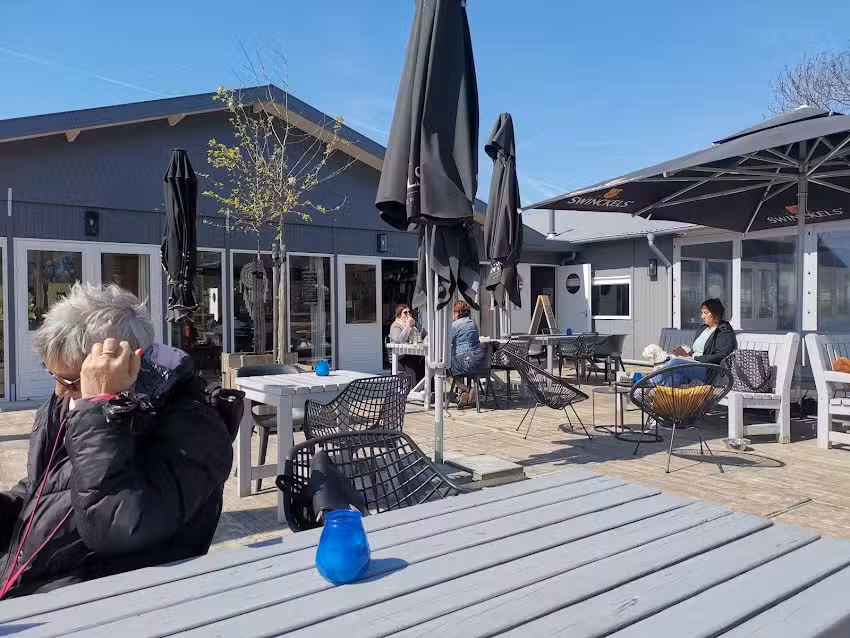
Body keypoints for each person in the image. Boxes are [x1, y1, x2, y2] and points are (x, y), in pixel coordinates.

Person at [0, 283, 233, 598]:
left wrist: (97, 407)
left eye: (70, 380)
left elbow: (114, 526)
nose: (59, 392)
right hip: (28, 579)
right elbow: (43, 488)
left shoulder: (195, 429)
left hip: (101, 604)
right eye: (52, 375)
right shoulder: (68, 406)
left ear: (127, 364)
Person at [655, 298, 737, 386]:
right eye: (702, 313)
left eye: (706, 313)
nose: (702, 316)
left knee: (673, 363)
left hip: (707, 369)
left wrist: (695, 359)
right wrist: (686, 356)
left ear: (716, 313)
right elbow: (697, 351)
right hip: (693, 365)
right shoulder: (703, 329)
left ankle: (646, 382)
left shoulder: (723, 331)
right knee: (675, 377)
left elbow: (721, 355)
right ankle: (663, 398)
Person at [449, 300, 487, 408]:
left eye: (453, 312)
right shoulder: (472, 323)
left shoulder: (455, 325)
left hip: (463, 361)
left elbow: (447, 341)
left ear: (457, 313)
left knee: (445, 368)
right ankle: (463, 395)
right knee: (455, 364)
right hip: (476, 360)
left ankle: (466, 389)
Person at [388, 304, 426, 385]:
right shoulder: (396, 326)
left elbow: (425, 334)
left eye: (409, 312)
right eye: (405, 313)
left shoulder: (414, 325)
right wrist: (408, 326)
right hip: (402, 356)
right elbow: (399, 340)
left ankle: (428, 390)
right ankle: (413, 392)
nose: (408, 314)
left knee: (427, 365)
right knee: (413, 370)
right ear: (399, 315)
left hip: (415, 353)